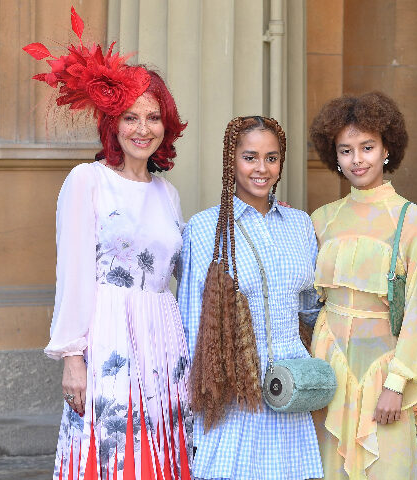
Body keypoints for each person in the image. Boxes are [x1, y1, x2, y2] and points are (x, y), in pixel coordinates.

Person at [24, 8, 192, 479]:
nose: (143, 128)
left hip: (163, 338)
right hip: (109, 336)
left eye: (154, 117)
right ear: (112, 124)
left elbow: (180, 274)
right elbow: (73, 275)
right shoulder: (87, 181)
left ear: (167, 124)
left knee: (162, 457)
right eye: (131, 117)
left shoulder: (167, 193)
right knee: (111, 455)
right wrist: (73, 359)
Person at [178, 116, 324, 480]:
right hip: (232, 389)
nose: (262, 168)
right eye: (250, 157)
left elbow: (311, 310)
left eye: (272, 158)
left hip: (292, 386)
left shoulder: (300, 224)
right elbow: (191, 321)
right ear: (232, 161)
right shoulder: (204, 228)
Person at [309, 92, 417, 479]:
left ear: (386, 149)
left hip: (384, 372)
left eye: (367, 147)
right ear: (335, 156)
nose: (357, 159)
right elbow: (310, 302)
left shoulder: (412, 219)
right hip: (329, 369)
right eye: (346, 150)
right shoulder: (322, 219)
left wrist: (398, 382)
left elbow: (415, 308)